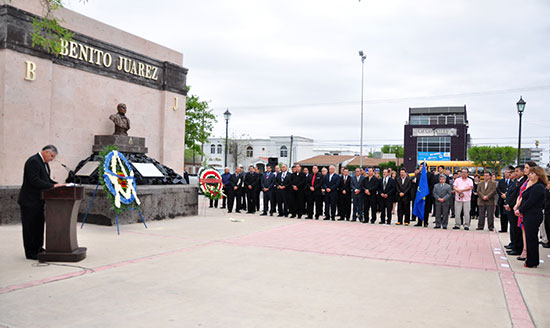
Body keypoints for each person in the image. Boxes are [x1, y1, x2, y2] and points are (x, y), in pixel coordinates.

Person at [18, 145, 64, 260]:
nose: (52, 159)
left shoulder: (44, 163)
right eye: (52, 156)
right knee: (30, 227)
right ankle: (31, 252)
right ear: (47, 152)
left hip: (39, 201)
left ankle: (39, 248)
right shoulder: (33, 161)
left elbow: (46, 180)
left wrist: (58, 184)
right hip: (29, 201)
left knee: (38, 226)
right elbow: (35, 181)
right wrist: (52, 186)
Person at [517, 166, 547, 268]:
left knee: (531, 238)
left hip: (533, 215)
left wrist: (520, 210)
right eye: (529, 173)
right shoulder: (534, 185)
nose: (529, 175)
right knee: (530, 238)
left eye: (532, 173)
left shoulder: (539, 187)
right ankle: (531, 259)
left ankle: (532, 261)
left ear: (538, 175)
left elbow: (531, 201)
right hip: (529, 215)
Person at [513, 161, 536, 261]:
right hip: (521, 207)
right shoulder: (527, 180)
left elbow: (525, 195)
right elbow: (520, 194)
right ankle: (524, 249)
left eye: (527, 168)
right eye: (525, 168)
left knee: (526, 231)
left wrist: (518, 205)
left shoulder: (532, 182)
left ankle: (526, 251)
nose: (525, 170)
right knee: (523, 230)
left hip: (525, 208)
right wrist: (516, 204)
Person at [505, 165, 526, 256]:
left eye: (517, 171)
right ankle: (514, 245)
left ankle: (517, 248)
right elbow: (511, 195)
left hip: (516, 208)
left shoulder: (523, 182)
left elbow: (518, 196)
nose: (515, 173)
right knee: (513, 228)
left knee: (517, 230)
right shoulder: (516, 182)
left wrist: (513, 205)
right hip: (511, 207)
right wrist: (508, 204)